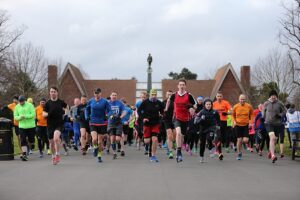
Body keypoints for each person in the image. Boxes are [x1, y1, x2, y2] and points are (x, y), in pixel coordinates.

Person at [165, 79, 196, 162]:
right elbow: (168, 100)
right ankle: (178, 152)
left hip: (186, 119)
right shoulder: (174, 95)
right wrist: (166, 108)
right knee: (178, 133)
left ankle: (179, 148)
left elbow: (195, 105)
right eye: (180, 85)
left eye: (183, 85)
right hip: (176, 117)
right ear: (178, 86)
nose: (182, 86)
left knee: (182, 136)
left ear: (185, 86)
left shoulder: (189, 95)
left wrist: (191, 108)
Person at [43, 86, 67, 165]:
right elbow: (43, 114)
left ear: (57, 93)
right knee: (51, 142)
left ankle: (57, 154)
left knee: (56, 138)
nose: (53, 93)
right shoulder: (47, 103)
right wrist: (49, 114)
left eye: (54, 91)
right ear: (49, 93)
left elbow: (67, 108)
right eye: (51, 91)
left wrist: (65, 114)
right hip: (50, 124)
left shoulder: (61, 102)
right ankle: (53, 156)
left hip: (59, 123)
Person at [138, 89, 164, 162]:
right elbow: (139, 110)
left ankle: (153, 155)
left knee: (155, 139)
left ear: (156, 95)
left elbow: (162, 111)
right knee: (147, 141)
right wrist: (143, 118)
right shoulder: (145, 102)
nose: (153, 96)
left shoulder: (159, 103)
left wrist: (161, 115)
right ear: (150, 95)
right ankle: (146, 143)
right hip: (147, 123)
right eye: (152, 94)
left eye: (155, 95)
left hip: (155, 123)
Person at [85, 88, 110, 163]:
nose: (96, 94)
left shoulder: (105, 101)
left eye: (98, 93)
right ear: (94, 94)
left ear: (100, 93)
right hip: (93, 122)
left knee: (100, 142)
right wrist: (87, 116)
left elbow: (110, 110)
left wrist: (107, 115)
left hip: (102, 123)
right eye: (95, 93)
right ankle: (95, 148)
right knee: (94, 139)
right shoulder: (91, 101)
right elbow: (87, 109)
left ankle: (99, 155)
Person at [262, 90, 286, 163]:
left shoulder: (280, 103)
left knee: (275, 140)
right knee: (272, 138)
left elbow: (285, 111)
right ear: (270, 96)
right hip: (268, 123)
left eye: (274, 95)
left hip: (277, 124)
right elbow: (263, 111)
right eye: (272, 95)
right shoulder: (266, 103)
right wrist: (264, 117)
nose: (273, 97)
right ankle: (273, 155)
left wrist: (280, 115)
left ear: (276, 96)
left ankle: (270, 151)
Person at [195, 98, 220, 162]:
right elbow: (196, 122)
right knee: (202, 144)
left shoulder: (215, 112)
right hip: (203, 129)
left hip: (211, 128)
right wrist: (201, 119)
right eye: (207, 104)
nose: (208, 105)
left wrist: (218, 126)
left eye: (210, 104)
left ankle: (210, 148)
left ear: (211, 105)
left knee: (209, 138)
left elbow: (218, 120)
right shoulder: (201, 112)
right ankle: (201, 156)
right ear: (204, 105)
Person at [14, 95, 36, 161]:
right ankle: (24, 154)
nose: (21, 103)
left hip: (31, 126)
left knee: (31, 139)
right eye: (20, 102)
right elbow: (15, 116)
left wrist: (25, 116)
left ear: (24, 100)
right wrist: (19, 117)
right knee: (23, 139)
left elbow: (33, 114)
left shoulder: (30, 105)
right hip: (22, 126)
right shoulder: (17, 107)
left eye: (22, 102)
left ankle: (32, 144)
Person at [232, 94, 254, 160]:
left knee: (245, 140)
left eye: (243, 99)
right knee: (239, 140)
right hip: (238, 125)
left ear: (245, 100)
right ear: (239, 100)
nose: (242, 100)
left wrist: (250, 122)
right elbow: (232, 115)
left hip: (246, 125)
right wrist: (234, 121)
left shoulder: (249, 106)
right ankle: (239, 153)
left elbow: (252, 114)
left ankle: (242, 145)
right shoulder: (235, 106)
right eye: (241, 99)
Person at [107, 91, 126, 159]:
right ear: (110, 96)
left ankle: (119, 146)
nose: (114, 96)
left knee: (117, 139)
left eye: (115, 95)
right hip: (111, 123)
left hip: (118, 123)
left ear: (116, 96)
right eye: (113, 95)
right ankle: (114, 153)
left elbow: (124, 111)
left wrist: (120, 116)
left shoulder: (120, 103)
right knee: (112, 138)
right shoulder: (108, 103)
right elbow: (105, 112)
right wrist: (109, 116)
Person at [162, 90, 176, 159]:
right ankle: (170, 152)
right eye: (168, 94)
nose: (169, 96)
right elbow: (161, 111)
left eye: (171, 94)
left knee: (174, 135)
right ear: (166, 95)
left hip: (174, 120)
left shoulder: (175, 102)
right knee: (169, 135)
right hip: (166, 120)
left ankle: (173, 142)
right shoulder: (163, 102)